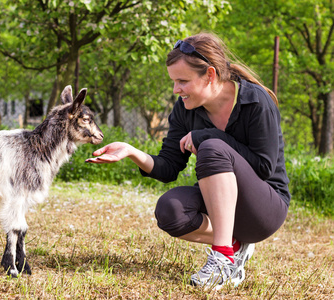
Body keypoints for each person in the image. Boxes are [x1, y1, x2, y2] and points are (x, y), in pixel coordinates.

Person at [86, 32, 290, 290]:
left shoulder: (255, 101)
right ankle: (234, 247)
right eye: (173, 82)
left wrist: (208, 136)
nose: (176, 89)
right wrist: (131, 152)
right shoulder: (184, 108)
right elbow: (169, 167)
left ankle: (223, 258)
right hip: (222, 205)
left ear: (210, 75)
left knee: (213, 147)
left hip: (264, 209)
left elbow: (264, 167)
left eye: (182, 81)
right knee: (170, 210)